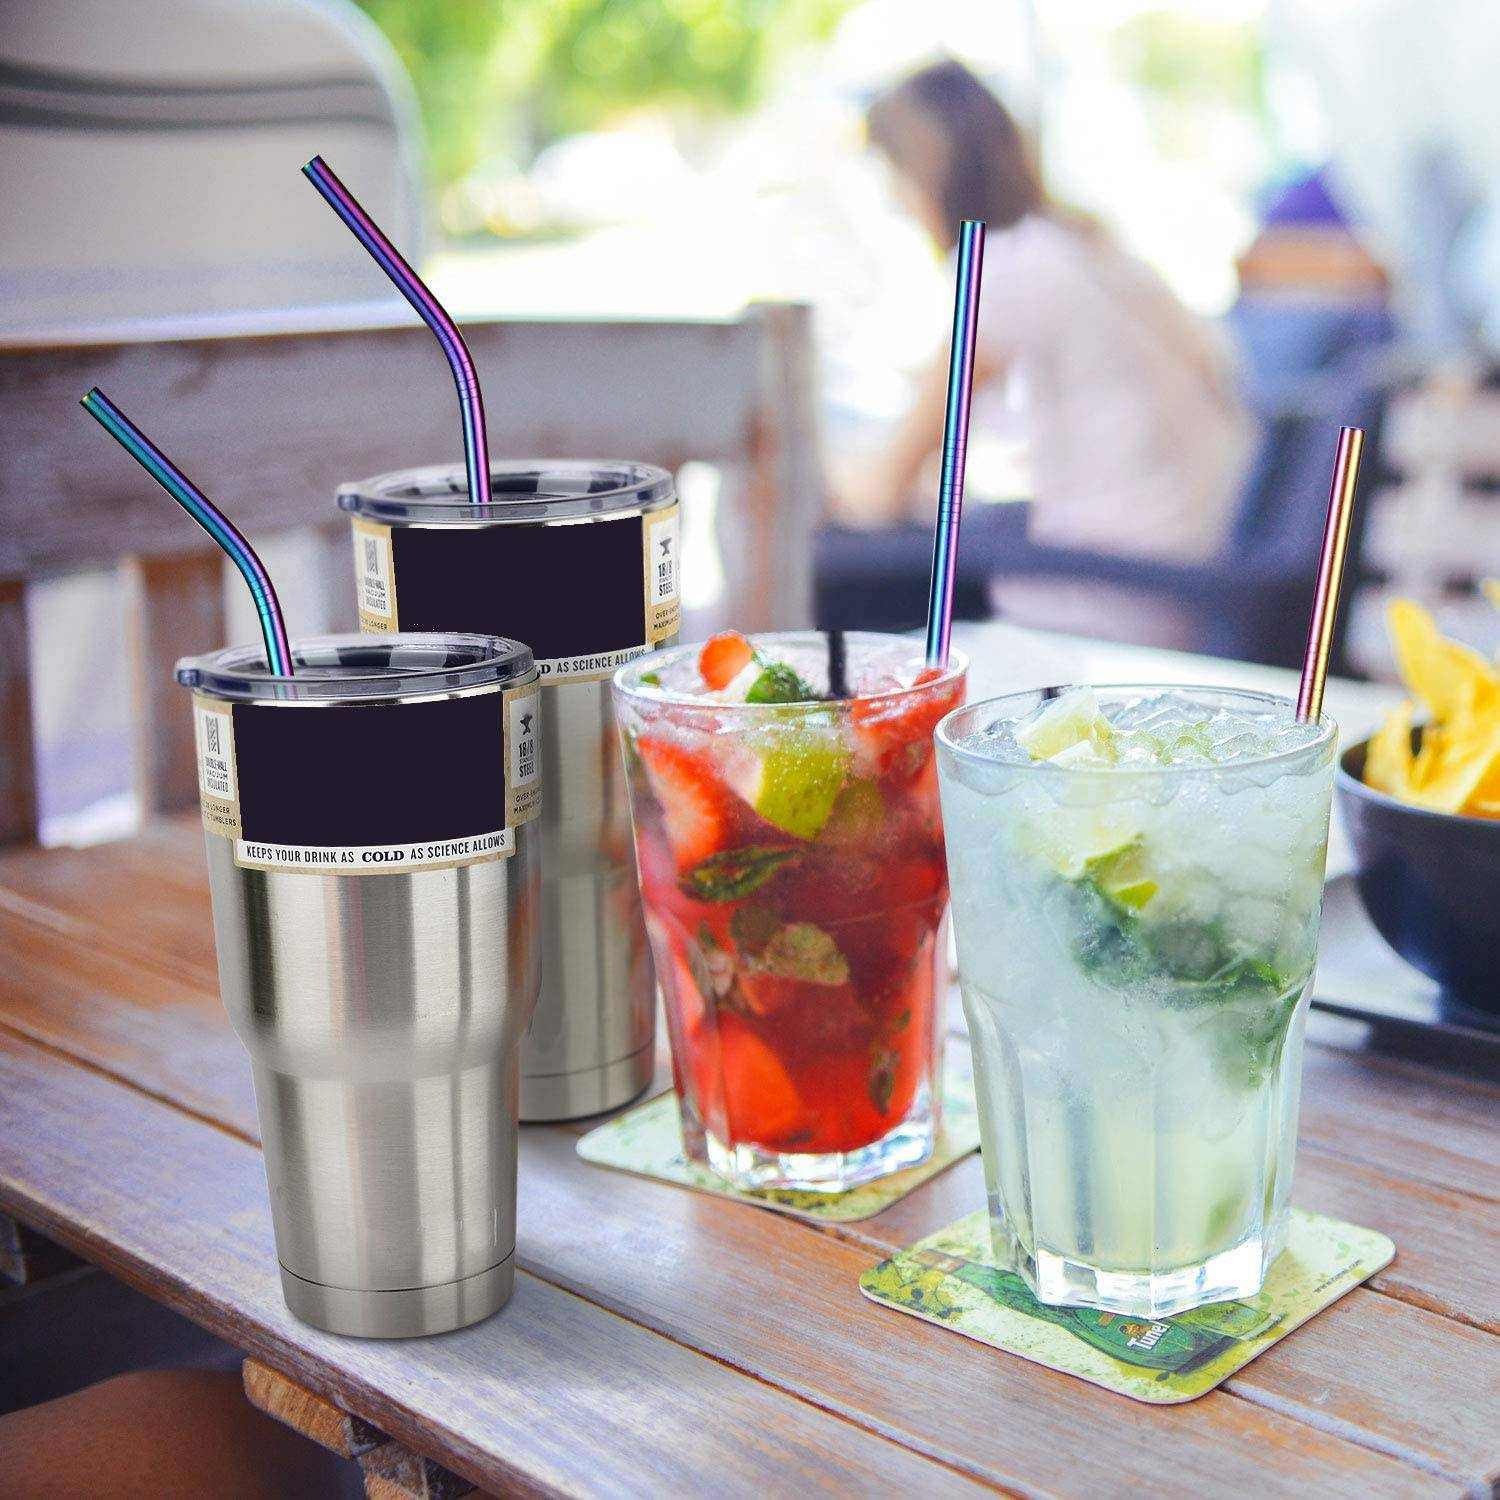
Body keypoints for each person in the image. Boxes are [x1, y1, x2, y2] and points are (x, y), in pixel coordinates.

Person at [834, 61, 1252, 602]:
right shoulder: (1083, 243)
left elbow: (885, 491)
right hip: (1194, 566)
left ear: (923, 175)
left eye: (895, 180)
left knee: (844, 591)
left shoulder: (1003, 269)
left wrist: (811, 480)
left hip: (1109, 587)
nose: (898, 205)